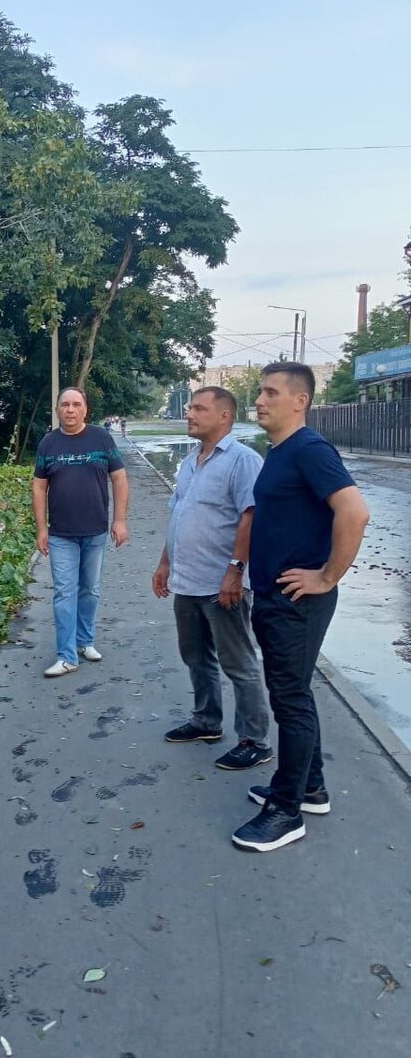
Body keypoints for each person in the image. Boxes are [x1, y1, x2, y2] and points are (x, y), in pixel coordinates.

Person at [232, 362, 369, 853]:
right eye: (259, 392)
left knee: (290, 699)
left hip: (298, 601)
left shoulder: (310, 450)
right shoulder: (281, 452)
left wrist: (327, 576)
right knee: (290, 691)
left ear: (300, 401)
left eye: (270, 393)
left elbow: (354, 511)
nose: (260, 401)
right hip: (275, 595)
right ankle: (310, 788)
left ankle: (286, 811)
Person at [151, 387, 272, 770]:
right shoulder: (190, 461)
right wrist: (165, 564)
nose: (190, 413)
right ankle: (206, 721)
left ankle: (255, 739)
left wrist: (235, 572)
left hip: (222, 583)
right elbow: (179, 516)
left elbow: (251, 517)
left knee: (239, 662)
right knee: (195, 656)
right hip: (187, 581)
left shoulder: (242, 461)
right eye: (190, 407)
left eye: (199, 408)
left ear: (224, 416)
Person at [32, 387, 129, 677]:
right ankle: (67, 655)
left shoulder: (101, 438)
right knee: (64, 592)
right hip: (61, 534)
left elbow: (120, 478)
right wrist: (40, 528)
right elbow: (38, 486)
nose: (70, 410)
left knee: (89, 589)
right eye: (65, 405)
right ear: (58, 410)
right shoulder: (48, 444)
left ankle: (85, 641)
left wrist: (120, 520)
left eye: (76, 404)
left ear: (85, 410)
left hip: (96, 530)